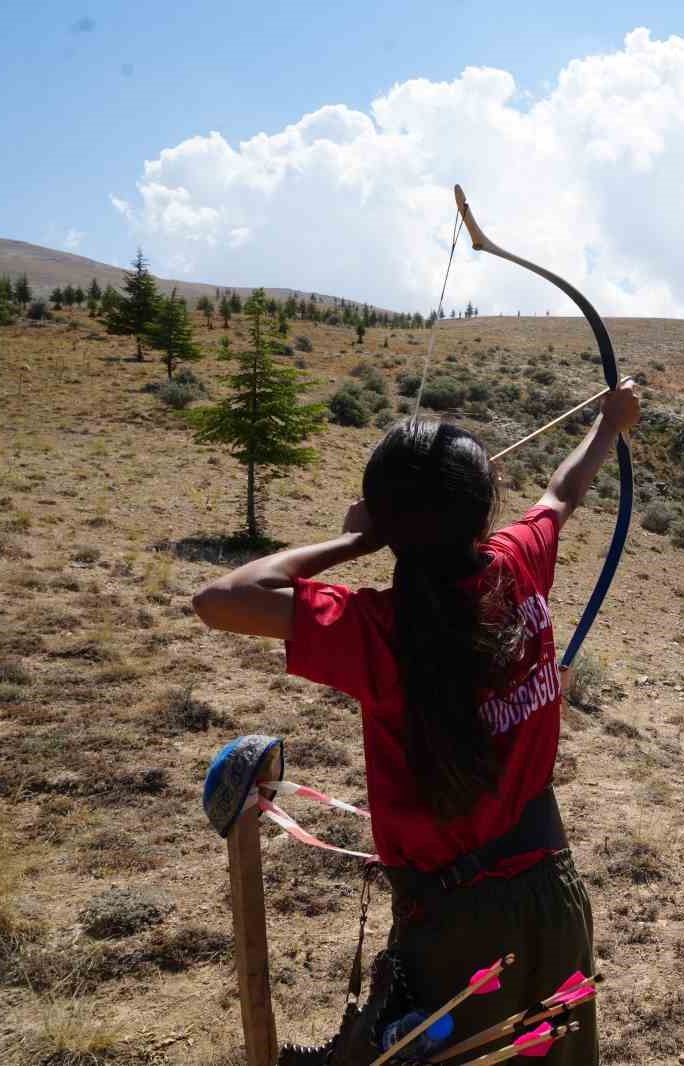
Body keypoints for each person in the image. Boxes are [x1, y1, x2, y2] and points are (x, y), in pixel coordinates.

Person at [192, 379, 640, 1065]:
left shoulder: (375, 629)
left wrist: (349, 541)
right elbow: (562, 493)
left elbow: (222, 598)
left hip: (453, 925)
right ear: (483, 512)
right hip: (554, 895)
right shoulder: (517, 564)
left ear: (388, 524)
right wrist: (611, 424)